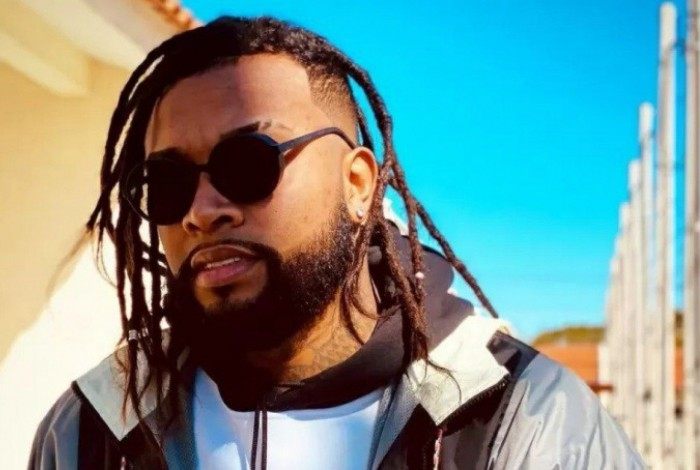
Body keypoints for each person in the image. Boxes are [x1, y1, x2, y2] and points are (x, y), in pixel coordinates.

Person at [28, 16, 642, 470]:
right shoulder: (91, 429)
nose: (201, 211)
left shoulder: (525, 419)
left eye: (248, 165)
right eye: (166, 183)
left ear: (358, 185)